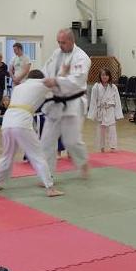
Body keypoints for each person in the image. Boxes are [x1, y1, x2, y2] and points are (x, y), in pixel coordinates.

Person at [0, 69, 64, 197]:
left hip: (7, 122)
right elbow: (56, 83)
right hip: (22, 122)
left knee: (7, 154)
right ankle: (50, 188)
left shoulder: (19, 87)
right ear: (40, 78)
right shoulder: (41, 84)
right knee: (38, 155)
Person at [40, 28, 91, 179]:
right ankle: (47, 176)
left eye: (63, 42)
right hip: (55, 102)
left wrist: (56, 80)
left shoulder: (81, 57)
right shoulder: (56, 54)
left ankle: (82, 163)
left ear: (71, 41)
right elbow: (46, 70)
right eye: (58, 42)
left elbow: (77, 80)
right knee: (46, 141)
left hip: (73, 102)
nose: (60, 45)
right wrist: (40, 79)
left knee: (71, 141)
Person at [87, 68, 123, 152]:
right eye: (103, 75)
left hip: (110, 109)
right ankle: (101, 147)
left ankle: (113, 146)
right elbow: (93, 101)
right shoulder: (96, 86)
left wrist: (118, 114)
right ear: (100, 76)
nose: (105, 77)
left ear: (109, 76)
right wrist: (92, 114)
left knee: (112, 129)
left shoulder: (113, 87)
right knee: (100, 130)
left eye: (106, 75)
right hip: (101, 110)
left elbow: (117, 100)